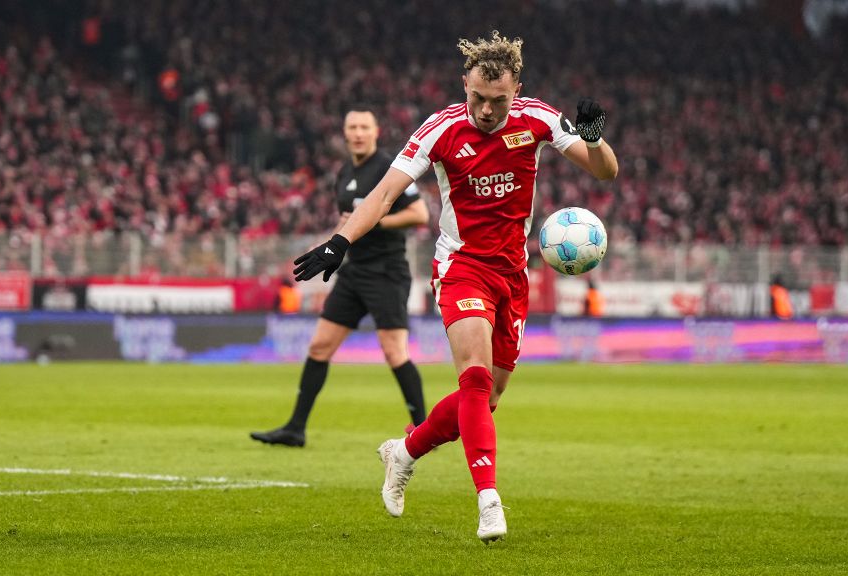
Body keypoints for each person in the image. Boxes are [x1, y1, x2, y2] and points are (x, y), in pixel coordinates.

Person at [290, 31, 618, 542]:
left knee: (485, 401)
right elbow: (383, 195)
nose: (486, 111)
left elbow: (605, 173)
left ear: (517, 89)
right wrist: (339, 241)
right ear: (464, 83)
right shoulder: (439, 129)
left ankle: (403, 451)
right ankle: (489, 501)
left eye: (498, 100)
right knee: (475, 379)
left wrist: (596, 141)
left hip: (512, 273)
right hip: (461, 265)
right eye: (477, 98)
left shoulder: (538, 118)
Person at [251, 106, 430, 448]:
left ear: (375, 132)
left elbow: (419, 213)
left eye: (365, 126)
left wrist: (376, 220)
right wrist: (325, 247)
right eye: (353, 127)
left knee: (394, 352)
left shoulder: (389, 167)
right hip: (353, 272)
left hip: (386, 273)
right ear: (345, 133)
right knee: (319, 346)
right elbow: (347, 221)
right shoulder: (344, 173)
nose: (358, 132)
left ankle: (424, 429)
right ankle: (295, 428)